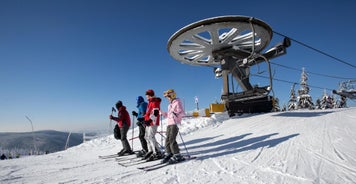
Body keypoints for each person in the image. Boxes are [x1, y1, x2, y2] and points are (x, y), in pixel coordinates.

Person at [161, 89, 186, 164]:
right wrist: (161, 112)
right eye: (167, 97)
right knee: (167, 139)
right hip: (169, 123)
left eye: (168, 96)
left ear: (172, 95)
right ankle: (169, 153)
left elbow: (182, 113)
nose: (168, 98)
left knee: (172, 139)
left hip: (175, 123)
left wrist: (176, 113)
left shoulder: (177, 102)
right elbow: (168, 115)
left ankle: (177, 155)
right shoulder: (170, 105)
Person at [142, 89, 163, 161]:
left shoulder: (154, 102)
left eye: (147, 95)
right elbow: (149, 113)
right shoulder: (150, 102)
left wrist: (150, 120)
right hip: (149, 122)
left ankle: (157, 152)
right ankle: (151, 151)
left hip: (153, 122)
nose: (146, 97)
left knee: (151, 136)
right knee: (146, 136)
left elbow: (156, 113)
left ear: (150, 95)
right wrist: (144, 119)